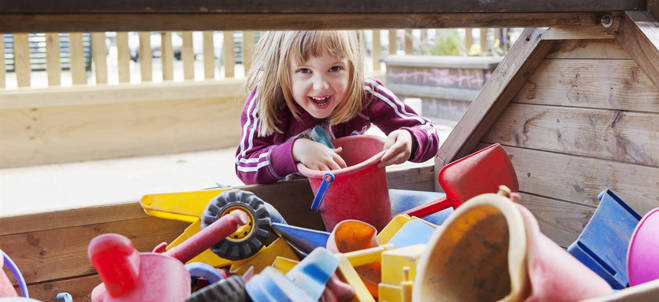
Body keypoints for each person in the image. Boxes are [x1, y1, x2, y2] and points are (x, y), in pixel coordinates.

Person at [235, 31, 439, 185]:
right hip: (289, 201)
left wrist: (410, 139)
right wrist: (296, 149)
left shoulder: (365, 93)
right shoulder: (268, 99)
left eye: (334, 68)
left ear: (352, 67)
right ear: (281, 71)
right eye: (304, 70)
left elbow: (427, 132)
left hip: (350, 195)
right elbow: (245, 165)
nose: (321, 85)